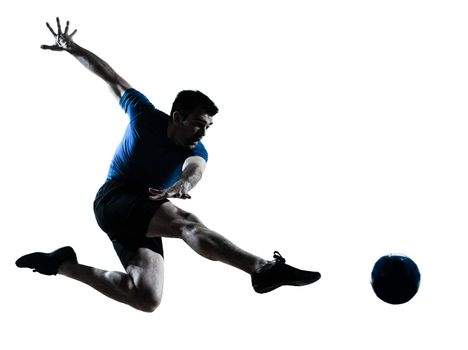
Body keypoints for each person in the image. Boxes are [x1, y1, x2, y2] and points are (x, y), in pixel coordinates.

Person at [16, 18, 321, 312]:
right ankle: (261, 268)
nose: (203, 133)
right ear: (178, 117)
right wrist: (72, 47)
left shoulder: (197, 149)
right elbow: (109, 76)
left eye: (208, 127)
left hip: (145, 211)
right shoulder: (144, 115)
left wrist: (184, 184)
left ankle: (62, 264)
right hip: (115, 199)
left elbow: (195, 169)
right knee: (187, 223)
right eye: (199, 124)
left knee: (146, 297)